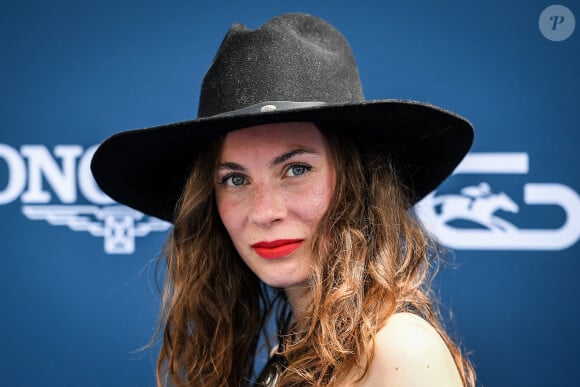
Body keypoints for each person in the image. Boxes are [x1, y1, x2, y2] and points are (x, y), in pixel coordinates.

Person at [91, 13, 476, 386]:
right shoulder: (302, 341)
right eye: (236, 179)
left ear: (359, 183)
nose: (264, 212)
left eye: (296, 170)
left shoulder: (396, 350)